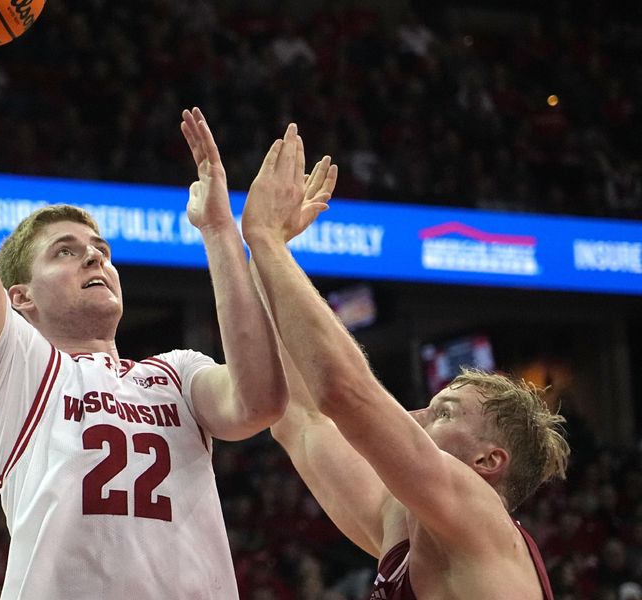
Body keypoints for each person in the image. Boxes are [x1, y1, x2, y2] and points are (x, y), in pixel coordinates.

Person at [0, 0, 303, 596]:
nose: (95, 257)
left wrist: (219, 231)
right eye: (65, 250)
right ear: (20, 298)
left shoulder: (176, 375)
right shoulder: (18, 370)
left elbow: (260, 402)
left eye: (100, 248)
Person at [242, 130, 570, 599]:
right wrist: (266, 257)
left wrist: (268, 242)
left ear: (488, 461)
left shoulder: (479, 516)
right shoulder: (402, 524)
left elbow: (343, 392)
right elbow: (300, 417)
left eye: (445, 413)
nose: (417, 416)